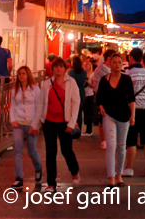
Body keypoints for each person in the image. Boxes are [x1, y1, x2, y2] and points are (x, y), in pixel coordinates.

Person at [37, 58, 81, 192]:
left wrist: (72, 123)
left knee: (66, 150)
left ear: (65, 68)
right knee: (50, 152)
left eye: (61, 67)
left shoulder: (71, 82)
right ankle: (51, 183)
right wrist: (37, 122)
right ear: (52, 69)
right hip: (49, 122)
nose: (58, 69)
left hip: (65, 122)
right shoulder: (46, 84)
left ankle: (74, 171)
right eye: (55, 67)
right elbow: (41, 103)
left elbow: (76, 102)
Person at [97, 53, 135, 187]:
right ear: (110, 64)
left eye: (119, 62)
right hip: (108, 115)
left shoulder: (126, 80)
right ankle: (111, 176)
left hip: (124, 115)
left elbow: (131, 99)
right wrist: (101, 107)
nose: (117, 65)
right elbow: (99, 97)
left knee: (121, 146)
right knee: (111, 146)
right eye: (114, 62)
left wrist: (133, 115)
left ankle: (119, 174)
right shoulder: (104, 79)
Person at [123, 48, 145, 178]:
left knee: (131, 140)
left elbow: (126, 94)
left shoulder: (127, 74)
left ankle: (129, 168)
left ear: (131, 58)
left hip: (132, 110)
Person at [10, 65, 42, 190]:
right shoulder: (15, 90)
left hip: (31, 123)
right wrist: (12, 119)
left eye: (23, 73)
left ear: (28, 74)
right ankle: (19, 178)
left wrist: (35, 125)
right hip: (18, 123)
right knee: (17, 150)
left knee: (32, 150)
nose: (21, 76)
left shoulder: (35, 89)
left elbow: (39, 107)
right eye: (19, 74)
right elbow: (13, 105)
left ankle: (38, 168)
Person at [91, 49, 116, 150]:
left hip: (113, 99)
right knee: (102, 119)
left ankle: (111, 139)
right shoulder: (100, 69)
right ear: (109, 58)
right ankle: (104, 141)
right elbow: (96, 84)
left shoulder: (114, 69)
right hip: (103, 98)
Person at [68, 55, 88, 131]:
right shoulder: (84, 73)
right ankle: (78, 131)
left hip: (72, 93)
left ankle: (72, 129)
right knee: (79, 113)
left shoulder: (71, 72)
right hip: (81, 93)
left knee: (72, 113)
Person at [82, 59, 95, 136]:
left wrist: (87, 82)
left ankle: (89, 131)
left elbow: (94, 86)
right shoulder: (82, 74)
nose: (85, 66)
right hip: (83, 95)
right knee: (85, 113)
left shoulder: (92, 74)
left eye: (87, 64)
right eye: (84, 64)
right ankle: (87, 130)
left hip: (90, 95)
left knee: (89, 113)